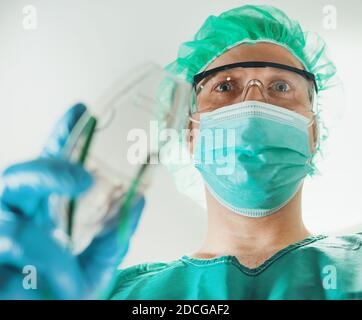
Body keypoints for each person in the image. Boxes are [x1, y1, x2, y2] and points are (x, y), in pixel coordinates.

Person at [1, 4, 362, 300]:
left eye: (281, 86)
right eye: (224, 86)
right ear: (190, 131)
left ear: (313, 131)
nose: (254, 103)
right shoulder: (113, 295)